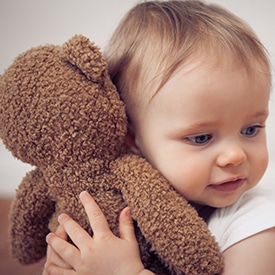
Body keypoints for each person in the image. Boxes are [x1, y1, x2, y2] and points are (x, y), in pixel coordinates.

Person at [43, 0, 275, 274]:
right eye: (202, 138)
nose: (236, 155)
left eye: (251, 129)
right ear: (132, 138)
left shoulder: (256, 223)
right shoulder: (116, 209)